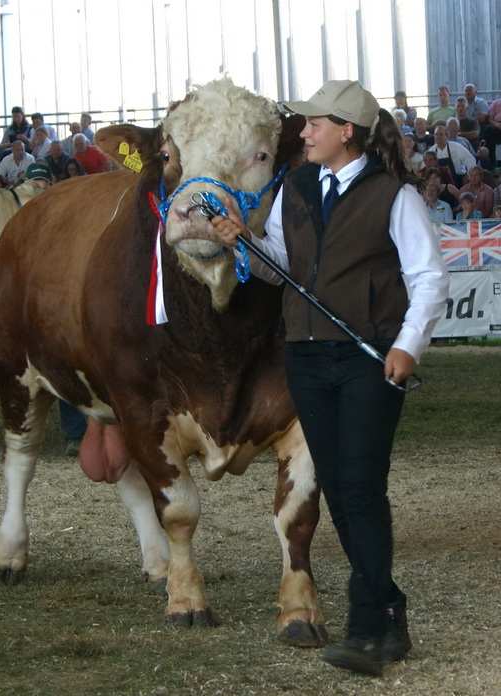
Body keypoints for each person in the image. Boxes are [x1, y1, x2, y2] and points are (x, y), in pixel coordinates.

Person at [210, 79, 449, 677]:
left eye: (316, 122)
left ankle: (370, 627)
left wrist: (407, 347)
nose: (305, 131)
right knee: (340, 493)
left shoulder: (394, 196)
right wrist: (243, 241)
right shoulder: (294, 187)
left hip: (369, 361)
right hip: (308, 360)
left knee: (360, 489)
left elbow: (430, 279)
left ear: (347, 131)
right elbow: (285, 269)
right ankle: (388, 610)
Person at [481, 96, 501, 169]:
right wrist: (497, 124)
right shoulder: (495, 103)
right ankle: (492, 164)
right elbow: (490, 119)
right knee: (488, 129)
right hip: (497, 128)